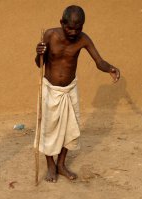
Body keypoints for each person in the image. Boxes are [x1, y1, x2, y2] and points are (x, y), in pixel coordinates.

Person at [35, 5, 120, 183]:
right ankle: (50, 165)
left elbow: (99, 61)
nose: (73, 32)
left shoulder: (83, 39)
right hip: (51, 89)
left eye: (78, 28)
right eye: (69, 27)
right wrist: (38, 53)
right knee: (48, 128)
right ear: (62, 23)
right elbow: (39, 64)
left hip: (70, 89)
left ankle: (61, 164)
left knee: (69, 128)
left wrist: (110, 68)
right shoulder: (50, 35)